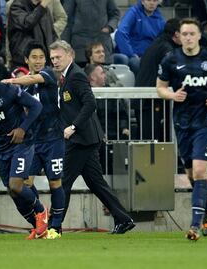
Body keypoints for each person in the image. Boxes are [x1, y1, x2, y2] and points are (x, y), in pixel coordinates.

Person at [49, 40, 135, 234]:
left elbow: (90, 103)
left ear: (70, 55)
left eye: (58, 57)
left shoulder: (76, 76)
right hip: (86, 138)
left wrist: (73, 126)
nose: (54, 61)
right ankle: (124, 219)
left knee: (64, 181)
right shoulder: (66, 76)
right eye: (52, 58)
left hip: (81, 138)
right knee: (96, 182)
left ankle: (54, 226)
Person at [156, 18, 207, 241]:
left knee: (199, 172)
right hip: (182, 122)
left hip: (206, 122)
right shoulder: (171, 59)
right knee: (191, 175)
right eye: (184, 33)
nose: (188, 37)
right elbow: (160, 87)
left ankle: (195, 226)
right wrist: (172, 95)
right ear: (179, 36)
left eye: (192, 33)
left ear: (199, 36)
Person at [0, 61, 49, 239]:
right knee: (12, 191)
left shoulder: (8, 90)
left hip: (22, 143)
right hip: (3, 146)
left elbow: (36, 106)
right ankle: (38, 227)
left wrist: (23, 128)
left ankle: (42, 211)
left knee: (16, 185)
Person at [1, 42, 65, 239]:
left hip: (53, 138)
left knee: (55, 183)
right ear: (27, 60)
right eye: (34, 57)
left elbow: (32, 79)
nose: (38, 61)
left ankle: (56, 228)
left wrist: (10, 82)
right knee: (23, 184)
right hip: (32, 142)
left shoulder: (48, 75)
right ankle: (40, 222)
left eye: (41, 57)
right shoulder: (22, 90)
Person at [114, 0, 166, 75]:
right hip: (132, 55)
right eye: (148, 0)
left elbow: (162, 41)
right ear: (142, 1)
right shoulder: (133, 12)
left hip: (149, 56)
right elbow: (121, 33)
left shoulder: (160, 19)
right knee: (137, 63)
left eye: (154, 0)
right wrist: (131, 54)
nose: (151, 3)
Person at [61, 0, 120, 66]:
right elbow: (66, 19)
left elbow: (115, 14)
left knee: (104, 73)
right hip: (80, 46)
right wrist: (65, 46)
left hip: (102, 43)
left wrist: (109, 27)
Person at [8, 0, 57, 69]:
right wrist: (42, 7)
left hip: (44, 61)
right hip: (23, 62)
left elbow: (52, 34)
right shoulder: (17, 6)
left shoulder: (44, 8)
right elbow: (27, 23)